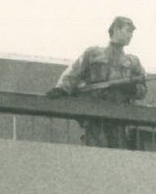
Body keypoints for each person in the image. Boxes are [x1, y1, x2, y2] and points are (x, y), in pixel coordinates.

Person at [46, 16, 148, 148]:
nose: (131, 35)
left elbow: (143, 90)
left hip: (119, 117)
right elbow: (73, 74)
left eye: (132, 33)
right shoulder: (93, 54)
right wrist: (61, 89)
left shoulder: (133, 61)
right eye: (128, 31)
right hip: (95, 115)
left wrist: (132, 89)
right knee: (95, 153)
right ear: (116, 29)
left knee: (117, 156)